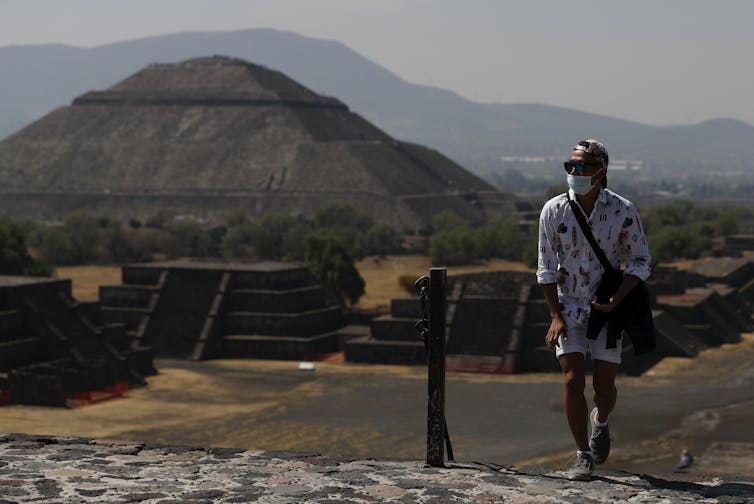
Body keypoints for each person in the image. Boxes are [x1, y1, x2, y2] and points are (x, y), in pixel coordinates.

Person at [536, 139, 651, 480]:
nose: (574, 173)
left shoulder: (622, 210)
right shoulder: (553, 210)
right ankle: (582, 454)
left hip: (605, 308)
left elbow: (641, 261)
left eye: (581, 167)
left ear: (601, 171)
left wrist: (618, 298)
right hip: (568, 304)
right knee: (572, 381)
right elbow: (545, 267)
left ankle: (600, 422)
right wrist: (556, 315)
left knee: (604, 388)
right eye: (569, 166)